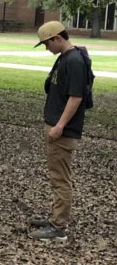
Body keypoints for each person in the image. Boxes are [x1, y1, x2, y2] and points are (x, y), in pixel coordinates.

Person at [29, 20, 88, 241]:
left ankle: (58, 228)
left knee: (60, 179)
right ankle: (55, 218)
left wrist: (60, 125)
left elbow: (76, 97)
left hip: (62, 131)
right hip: (56, 127)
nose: (46, 48)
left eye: (47, 43)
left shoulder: (74, 61)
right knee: (57, 177)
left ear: (58, 38)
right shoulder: (66, 58)